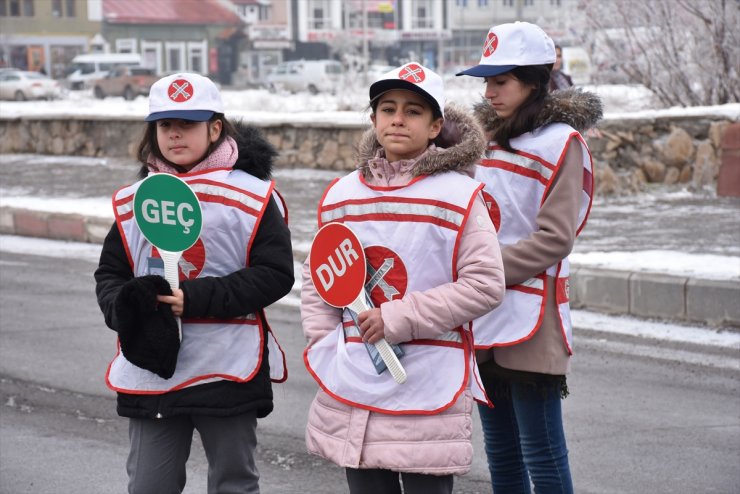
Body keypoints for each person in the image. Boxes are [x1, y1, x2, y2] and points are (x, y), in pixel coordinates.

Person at [301, 62, 506, 494]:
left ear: (435, 127)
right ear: (373, 120)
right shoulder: (342, 195)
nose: (397, 118)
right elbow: (318, 276)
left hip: (426, 378)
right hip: (354, 375)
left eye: (413, 111)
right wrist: (324, 347)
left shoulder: (459, 193)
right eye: (387, 108)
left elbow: (485, 284)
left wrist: (398, 317)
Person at [94, 72, 294, 494]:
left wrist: (195, 299)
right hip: (152, 370)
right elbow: (111, 273)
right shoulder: (136, 198)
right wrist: (126, 307)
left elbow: (275, 273)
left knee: (233, 485)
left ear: (215, 128)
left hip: (227, 368)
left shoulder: (253, 194)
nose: (175, 135)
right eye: (165, 125)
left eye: (187, 124)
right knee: (149, 485)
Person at [457, 22, 603, 493]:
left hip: (532, 316)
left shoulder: (562, 143)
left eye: (501, 80)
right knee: (500, 450)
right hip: (482, 311)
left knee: (541, 450)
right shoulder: (484, 139)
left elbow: (555, 239)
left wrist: (481, 272)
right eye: (487, 80)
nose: (489, 90)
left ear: (534, 81)